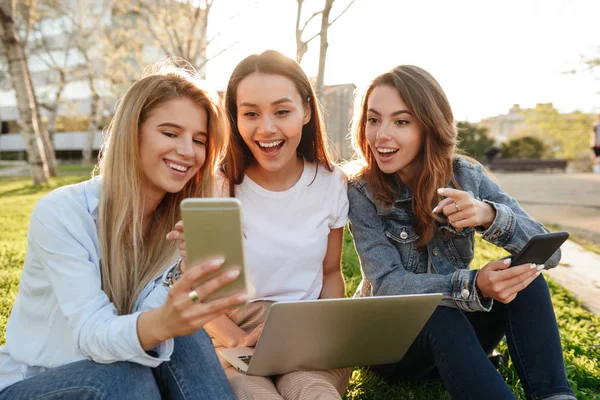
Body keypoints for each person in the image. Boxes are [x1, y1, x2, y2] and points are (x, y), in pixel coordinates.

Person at [0, 64, 247, 399]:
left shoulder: (179, 229)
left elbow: (146, 331)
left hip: (123, 367)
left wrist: (183, 278)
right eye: (171, 133)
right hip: (36, 382)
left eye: (199, 140)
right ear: (133, 133)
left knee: (182, 337)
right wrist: (164, 322)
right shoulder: (63, 213)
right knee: (127, 375)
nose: (188, 151)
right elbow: (92, 335)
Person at [346, 65, 575, 400]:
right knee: (437, 312)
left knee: (525, 277)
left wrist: (487, 215)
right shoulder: (362, 191)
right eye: (373, 119)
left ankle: (556, 396)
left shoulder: (465, 176)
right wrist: (474, 284)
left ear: (429, 127)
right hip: (389, 345)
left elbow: (548, 252)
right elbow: (387, 285)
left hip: (458, 336)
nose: (381, 134)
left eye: (401, 121)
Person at [168, 50, 350, 400]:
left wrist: (327, 336)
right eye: (251, 113)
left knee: (313, 392)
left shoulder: (331, 183)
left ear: (307, 111)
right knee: (255, 395)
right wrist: (235, 340)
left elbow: (330, 273)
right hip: (233, 329)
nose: (266, 129)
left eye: (282, 111)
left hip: (305, 330)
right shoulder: (216, 187)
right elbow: (196, 289)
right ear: (234, 118)